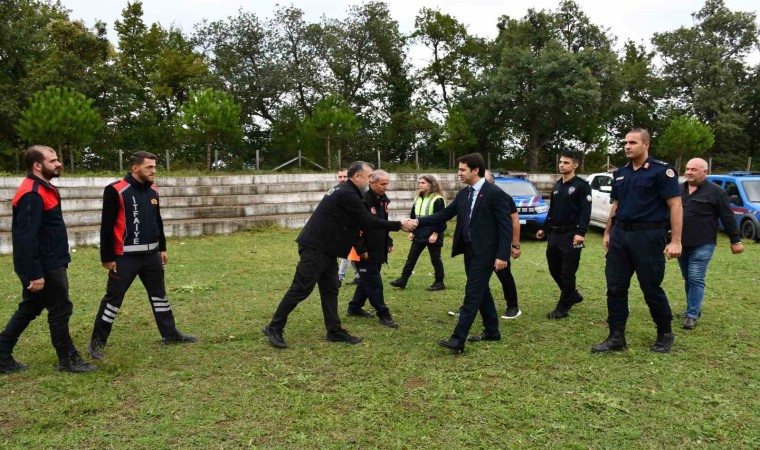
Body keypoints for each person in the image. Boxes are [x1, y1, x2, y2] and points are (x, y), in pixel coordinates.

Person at [262, 161, 415, 348]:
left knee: (330, 289)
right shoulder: (347, 193)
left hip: (327, 249)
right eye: (368, 177)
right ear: (357, 176)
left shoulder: (346, 190)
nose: (370, 181)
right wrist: (399, 224)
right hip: (316, 247)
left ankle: (334, 330)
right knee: (301, 288)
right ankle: (274, 327)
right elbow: (367, 221)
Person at [87, 151, 196, 360]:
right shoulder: (115, 190)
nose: (153, 171)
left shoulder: (153, 190)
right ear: (135, 168)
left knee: (160, 296)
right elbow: (106, 226)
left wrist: (162, 248)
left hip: (152, 256)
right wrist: (107, 258)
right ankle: (96, 344)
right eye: (149, 167)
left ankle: (170, 334)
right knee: (113, 301)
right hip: (124, 258)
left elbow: (158, 221)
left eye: (154, 167)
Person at [0, 145, 96, 374]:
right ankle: (67, 359)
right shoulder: (32, 193)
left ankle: (1, 354)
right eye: (52, 161)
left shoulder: (43, 188)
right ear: (37, 165)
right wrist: (35, 273)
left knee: (30, 308)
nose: (58, 163)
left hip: (49, 261)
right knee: (60, 309)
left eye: (57, 160)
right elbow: (25, 238)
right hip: (44, 265)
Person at [593, 129, 682, 354]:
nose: (627, 146)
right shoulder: (621, 173)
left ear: (646, 145)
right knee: (615, 287)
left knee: (651, 288)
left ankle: (665, 333)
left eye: (632, 142)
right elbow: (617, 205)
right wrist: (607, 232)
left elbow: (675, 205)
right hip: (621, 236)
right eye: (625, 142)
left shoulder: (662, 172)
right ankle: (616, 337)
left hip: (648, 237)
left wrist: (676, 241)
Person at [413, 153, 512, 353]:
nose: (458, 173)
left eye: (462, 170)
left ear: (475, 170)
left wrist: (503, 255)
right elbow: (445, 214)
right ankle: (492, 331)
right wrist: (418, 221)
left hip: (486, 253)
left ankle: (458, 340)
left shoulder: (495, 193)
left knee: (472, 293)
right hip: (469, 251)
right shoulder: (464, 194)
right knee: (481, 291)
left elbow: (505, 227)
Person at [678, 158, 744, 329]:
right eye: (687, 168)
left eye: (694, 169)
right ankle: (693, 308)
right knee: (688, 277)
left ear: (705, 172)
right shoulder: (678, 189)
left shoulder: (716, 192)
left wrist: (735, 240)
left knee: (696, 277)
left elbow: (727, 216)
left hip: (703, 243)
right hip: (680, 243)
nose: (689, 172)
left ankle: (691, 315)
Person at [536, 150, 591, 319]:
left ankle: (563, 307)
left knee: (568, 272)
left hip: (572, 235)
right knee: (554, 269)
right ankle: (572, 294)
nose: (561, 165)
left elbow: (585, 211)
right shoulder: (558, 185)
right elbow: (552, 211)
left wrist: (581, 233)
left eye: (566, 162)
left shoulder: (582, 186)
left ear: (575, 165)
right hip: (555, 235)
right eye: (560, 162)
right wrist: (544, 229)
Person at [346, 170, 399, 328]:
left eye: (387, 183)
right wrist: (361, 249)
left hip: (377, 248)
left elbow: (383, 223)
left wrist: (388, 240)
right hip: (363, 250)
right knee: (375, 282)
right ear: (372, 183)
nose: (386, 187)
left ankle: (354, 307)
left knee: (366, 279)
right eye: (383, 184)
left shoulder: (382, 200)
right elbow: (355, 228)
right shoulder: (363, 201)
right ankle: (383, 313)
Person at [389, 175, 447, 291]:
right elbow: (413, 217)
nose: (420, 185)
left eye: (423, 183)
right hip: (419, 233)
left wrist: (435, 233)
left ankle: (439, 282)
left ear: (431, 184)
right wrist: (412, 231)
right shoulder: (417, 198)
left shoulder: (438, 199)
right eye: (419, 183)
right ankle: (403, 280)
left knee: (435, 259)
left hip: (433, 233)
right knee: (411, 257)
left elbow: (441, 218)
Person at [484, 169, 523, 319]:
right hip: (481, 244)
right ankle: (470, 304)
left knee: (504, 275)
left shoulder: (503, 197)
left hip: (498, 244)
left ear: (492, 182)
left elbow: (514, 221)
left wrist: (515, 245)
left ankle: (513, 306)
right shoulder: (474, 195)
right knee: (476, 277)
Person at [336, 168, 360, 287]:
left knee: (347, 255)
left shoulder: (354, 192)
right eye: (340, 177)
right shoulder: (336, 191)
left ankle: (339, 278)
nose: (342, 179)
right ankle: (358, 276)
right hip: (341, 229)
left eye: (344, 177)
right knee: (352, 254)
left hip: (352, 229)